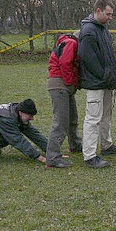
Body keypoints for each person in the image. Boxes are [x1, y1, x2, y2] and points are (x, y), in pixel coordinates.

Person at [78, 0, 116, 169]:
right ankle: (90, 155)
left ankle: (107, 145)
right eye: (108, 14)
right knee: (93, 118)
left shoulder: (103, 29)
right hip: (95, 84)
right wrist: (104, 75)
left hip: (106, 82)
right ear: (98, 11)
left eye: (111, 14)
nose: (110, 17)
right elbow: (87, 58)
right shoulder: (89, 31)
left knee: (106, 116)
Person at [45, 32, 83, 168]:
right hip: (60, 85)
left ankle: (75, 144)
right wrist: (70, 82)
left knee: (72, 118)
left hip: (63, 85)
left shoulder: (66, 42)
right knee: (61, 121)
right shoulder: (72, 43)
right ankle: (53, 156)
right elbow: (65, 62)